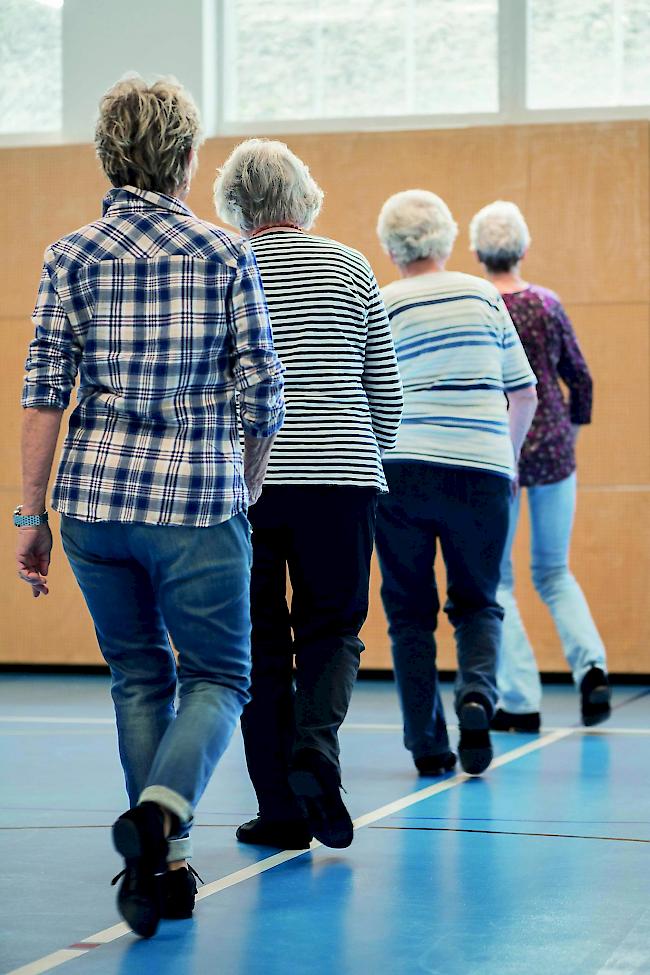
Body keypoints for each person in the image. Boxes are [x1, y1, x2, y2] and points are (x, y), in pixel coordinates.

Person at [15, 77, 285, 938]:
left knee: (139, 675)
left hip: (94, 501)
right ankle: (164, 812)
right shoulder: (224, 252)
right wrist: (244, 480)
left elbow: (41, 393)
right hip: (198, 501)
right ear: (188, 158)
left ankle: (157, 869)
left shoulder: (70, 254)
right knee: (220, 676)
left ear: (105, 155)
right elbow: (264, 391)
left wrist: (31, 516)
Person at [213, 139, 403, 850]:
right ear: (303, 196)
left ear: (235, 204)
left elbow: (209, 385)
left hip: (246, 483)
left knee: (258, 644)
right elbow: (385, 387)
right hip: (343, 481)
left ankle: (281, 812)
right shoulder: (352, 264)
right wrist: (367, 456)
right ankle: (317, 751)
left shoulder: (224, 266)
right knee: (333, 627)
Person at [374, 190, 538, 777]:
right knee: (477, 603)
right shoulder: (482, 294)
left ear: (391, 247)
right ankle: (476, 697)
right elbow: (524, 391)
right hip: (482, 471)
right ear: (446, 239)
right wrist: (508, 459)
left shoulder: (381, 302)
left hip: (402, 470)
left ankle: (427, 745)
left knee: (408, 614)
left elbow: (368, 396)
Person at [470, 200, 610, 730]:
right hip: (554, 454)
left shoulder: (480, 303)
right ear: (524, 249)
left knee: (499, 579)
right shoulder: (548, 305)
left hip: (497, 453)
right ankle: (592, 667)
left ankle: (521, 699)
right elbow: (583, 379)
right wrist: (567, 437)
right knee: (554, 571)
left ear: (479, 254)